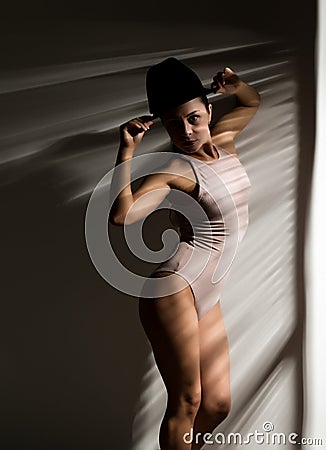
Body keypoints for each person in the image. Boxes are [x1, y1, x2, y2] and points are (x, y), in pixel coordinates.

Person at [109, 57, 260, 450]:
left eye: (193, 117)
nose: (186, 131)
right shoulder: (177, 168)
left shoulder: (225, 141)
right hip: (175, 288)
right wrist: (126, 152)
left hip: (208, 291)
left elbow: (250, 103)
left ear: (208, 111)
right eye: (174, 123)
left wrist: (235, 84)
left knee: (218, 404)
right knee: (188, 401)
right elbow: (122, 216)